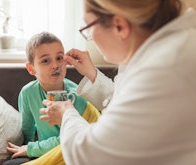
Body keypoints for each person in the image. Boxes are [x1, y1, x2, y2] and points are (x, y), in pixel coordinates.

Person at [40, 0, 196, 165]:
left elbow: (91, 156)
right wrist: (92, 74)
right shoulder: (162, 49)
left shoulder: (167, 66)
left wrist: (67, 114)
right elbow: (131, 105)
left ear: (119, 26)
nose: (90, 37)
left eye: (89, 27)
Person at [2, 32, 100, 165]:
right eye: (46, 60)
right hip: (45, 151)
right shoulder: (27, 93)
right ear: (31, 69)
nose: (55, 65)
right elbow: (27, 130)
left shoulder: (75, 95)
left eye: (59, 58)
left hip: (71, 150)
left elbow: (68, 138)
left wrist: (31, 149)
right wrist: (26, 149)